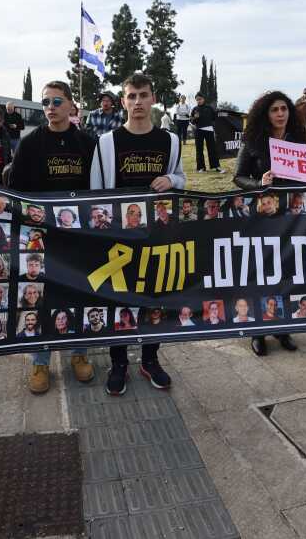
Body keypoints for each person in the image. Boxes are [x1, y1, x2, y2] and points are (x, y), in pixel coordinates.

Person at [92, 73, 185, 395]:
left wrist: (172, 180)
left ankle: (150, 358)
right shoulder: (106, 143)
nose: (137, 102)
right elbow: (96, 192)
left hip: (157, 236)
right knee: (118, 301)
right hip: (118, 238)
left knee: (154, 299)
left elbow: (181, 177)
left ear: (153, 98)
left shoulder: (171, 141)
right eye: (131, 96)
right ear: (123, 102)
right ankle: (118, 362)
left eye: (143, 95)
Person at [9, 80, 97, 394]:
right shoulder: (31, 142)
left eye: (57, 101)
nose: (50, 108)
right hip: (40, 237)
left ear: (72, 106)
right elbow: (16, 189)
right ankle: (40, 360)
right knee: (39, 297)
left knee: (77, 294)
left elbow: (98, 190)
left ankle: (78, 353)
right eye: (45, 102)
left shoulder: (87, 143)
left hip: (76, 237)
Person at [234, 90, 306, 355]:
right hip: (262, 218)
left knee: (287, 273)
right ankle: (258, 332)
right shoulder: (254, 141)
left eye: (284, 109)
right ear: (266, 114)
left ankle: (283, 328)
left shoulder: (299, 140)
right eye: (274, 110)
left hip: (291, 219)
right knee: (262, 274)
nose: (280, 114)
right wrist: (259, 183)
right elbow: (238, 177)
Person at [190, 93, 223, 173]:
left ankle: (216, 166)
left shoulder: (209, 108)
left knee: (212, 149)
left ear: (203, 99)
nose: (199, 101)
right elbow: (191, 121)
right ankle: (201, 167)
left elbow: (215, 118)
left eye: (200, 99)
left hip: (209, 130)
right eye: (197, 100)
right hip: (199, 131)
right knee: (199, 149)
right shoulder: (195, 109)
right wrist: (195, 118)